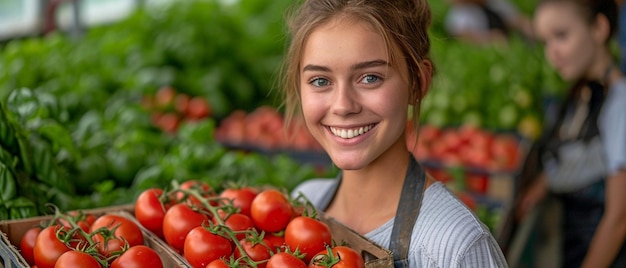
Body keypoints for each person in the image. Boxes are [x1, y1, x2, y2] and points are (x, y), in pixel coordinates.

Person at [280, 0, 508, 267]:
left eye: (370, 78)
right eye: (320, 81)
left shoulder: (455, 245)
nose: (342, 105)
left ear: (417, 83)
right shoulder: (303, 203)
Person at [516, 0, 626, 267]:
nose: (552, 53)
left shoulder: (620, 104)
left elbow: (619, 219)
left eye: (562, 36)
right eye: (545, 41)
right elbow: (579, 154)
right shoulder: (585, 90)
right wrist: (541, 186)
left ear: (599, 27)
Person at [444, 0, 534, 44]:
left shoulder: (494, 2)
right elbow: (466, 38)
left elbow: (516, 20)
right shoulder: (457, 18)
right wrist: (490, 38)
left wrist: (526, 24)